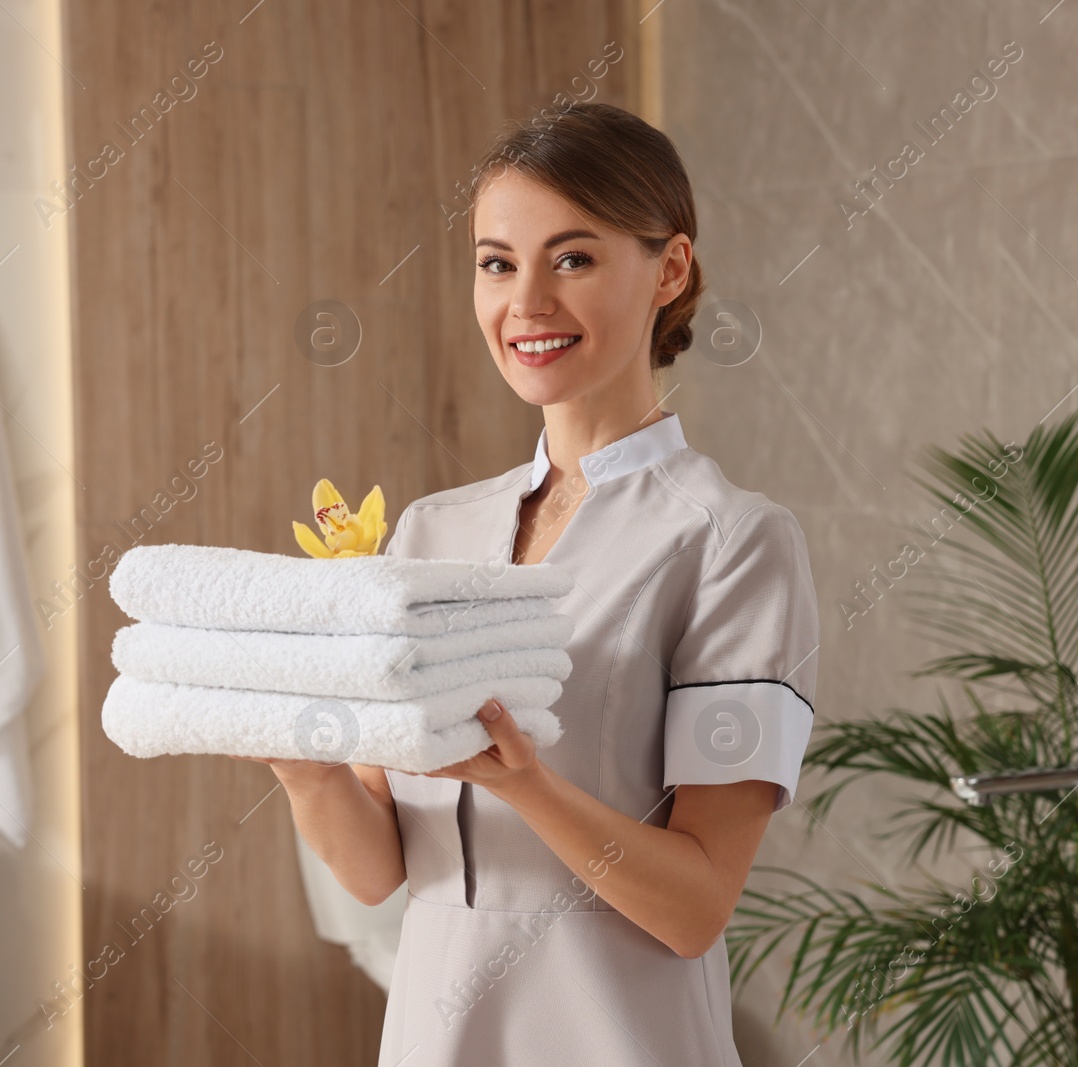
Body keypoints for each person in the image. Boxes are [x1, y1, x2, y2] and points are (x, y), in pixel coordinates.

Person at [244, 102, 819, 1066]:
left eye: (574, 258)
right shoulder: (433, 529)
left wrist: (528, 787)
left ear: (669, 270)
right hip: (436, 1030)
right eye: (498, 263)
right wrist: (299, 764)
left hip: (622, 1037)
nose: (527, 305)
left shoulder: (731, 542)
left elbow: (695, 908)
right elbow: (380, 872)